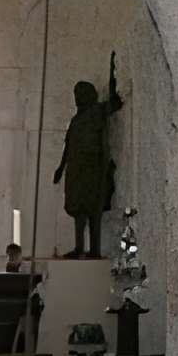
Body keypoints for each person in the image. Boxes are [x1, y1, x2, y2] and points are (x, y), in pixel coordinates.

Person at [52, 57, 126, 260]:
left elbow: (116, 103)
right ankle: (79, 247)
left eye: (79, 94)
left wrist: (113, 74)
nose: (77, 98)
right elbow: (68, 145)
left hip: (93, 168)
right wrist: (61, 167)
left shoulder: (96, 112)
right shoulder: (76, 120)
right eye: (75, 95)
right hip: (77, 170)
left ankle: (94, 249)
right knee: (78, 210)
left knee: (94, 209)